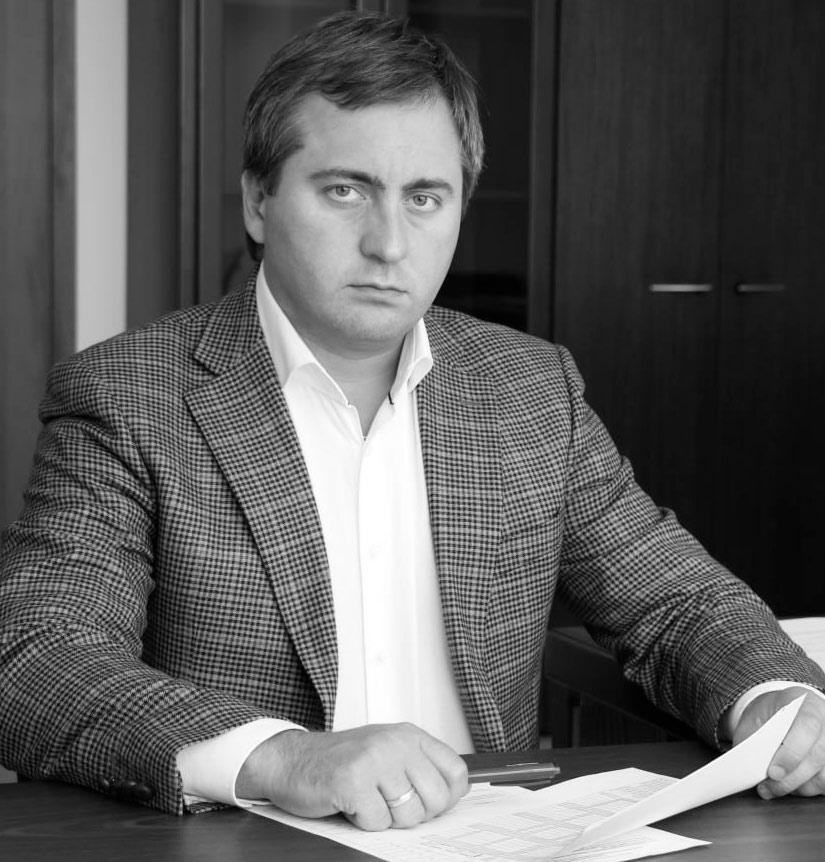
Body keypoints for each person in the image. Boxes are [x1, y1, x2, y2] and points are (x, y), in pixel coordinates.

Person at [1, 10, 824, 832]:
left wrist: (773, 696)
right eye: (344, 190)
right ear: (258, 201)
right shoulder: (129, 396)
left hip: (499, 837)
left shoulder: (528, 387)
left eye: (424, 198)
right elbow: (37, 653)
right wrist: (284, 756)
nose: (389, 244)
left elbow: (673, 601)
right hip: (249, 841)